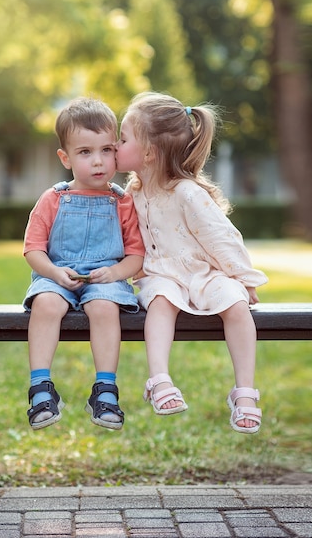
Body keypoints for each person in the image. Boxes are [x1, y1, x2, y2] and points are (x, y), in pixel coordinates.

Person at [116, 91, 268, 434]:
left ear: (149, 153)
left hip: (204, 271)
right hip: (161, 274)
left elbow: (221, 237)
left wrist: (243, 279)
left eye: (123, 138)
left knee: (235, 304)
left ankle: (244, 391)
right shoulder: (132, 193)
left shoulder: (186, 192)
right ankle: (159, 379)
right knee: (160, 299)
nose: (116, 144)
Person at [23, 96, 145, 431]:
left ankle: (105, 389)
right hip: (55, 274)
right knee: (45, 304)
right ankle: (40, 387)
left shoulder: (122, 202)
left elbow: (136, 255)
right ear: (65, 157)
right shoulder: (53, 198)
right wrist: (53, 272)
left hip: (105, 278)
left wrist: (116, 272)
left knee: (105, 307)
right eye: (85, 152)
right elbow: (33, 249)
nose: (98, 162)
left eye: (107, 150)